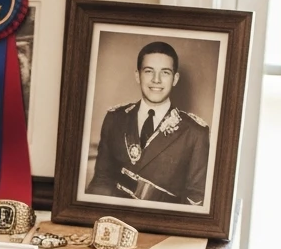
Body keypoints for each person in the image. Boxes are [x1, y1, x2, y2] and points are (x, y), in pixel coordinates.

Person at [86, 42, 210, 205]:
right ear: (137, 75)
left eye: (165, 73)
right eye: (149, 71)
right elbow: (101, 181)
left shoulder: (195, 133)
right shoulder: (115, 119)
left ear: (175, 79)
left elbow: (195, 200)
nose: (156, 80)